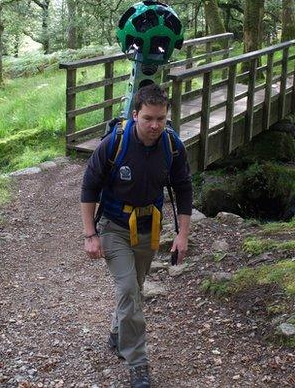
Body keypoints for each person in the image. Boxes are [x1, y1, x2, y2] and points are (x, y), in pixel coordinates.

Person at [80, 84, 193, 388]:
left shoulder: (172, 146)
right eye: (148, 118)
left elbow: (184, 189)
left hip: (148, 227)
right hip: (114, 227)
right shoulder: (114, 143)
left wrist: (182, 235)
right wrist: (90, 234)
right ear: (135, 115)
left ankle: (118, 332)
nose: (155, 125)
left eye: (161, 118)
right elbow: (89, 187)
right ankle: (137, 363)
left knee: (136, 288)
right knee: (129, 288)